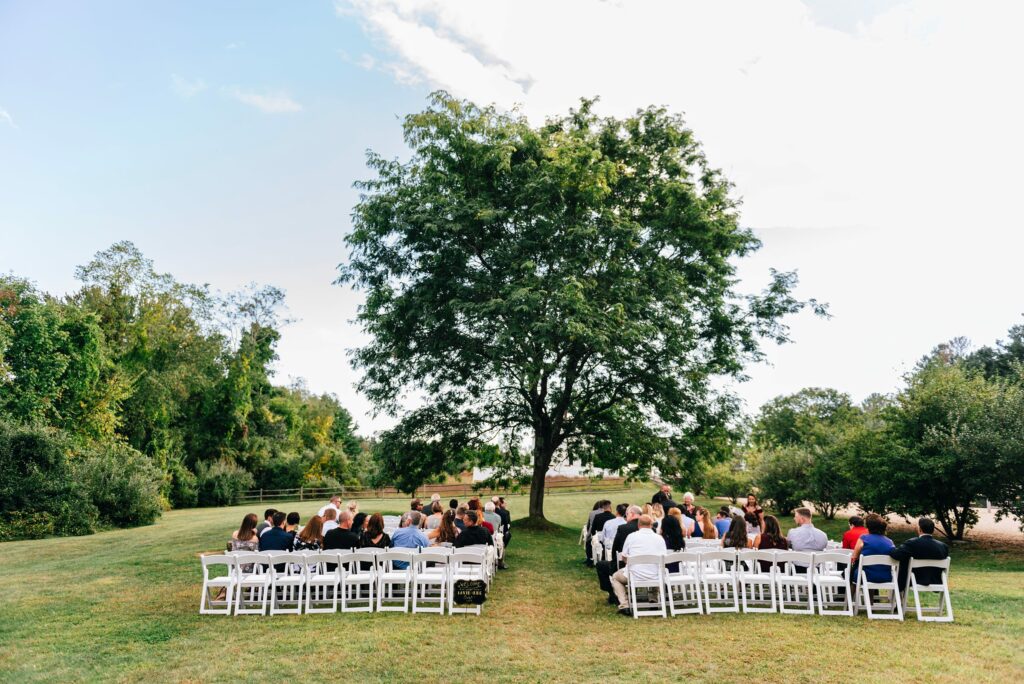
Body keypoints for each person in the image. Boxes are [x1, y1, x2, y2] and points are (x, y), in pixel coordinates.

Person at [610, 515, 667, 616]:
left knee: (615, 577)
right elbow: (663, 558)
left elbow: (624, 556)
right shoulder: (659, 538)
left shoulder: (631, 536)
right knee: (656, 568)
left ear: (639, 525)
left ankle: (625, 605)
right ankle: (653, 600)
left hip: (634, 575)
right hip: (655, 575)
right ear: (651, 525)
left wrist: (631, 563)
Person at [596, 505, 642, 604]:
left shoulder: (623, 528)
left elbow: (615, 549)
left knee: (600, 565)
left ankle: (613, 595)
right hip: (647, 568)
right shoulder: (651, 528)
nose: (626, 517)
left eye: (627, 515)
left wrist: (614, 563)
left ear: (632, 514)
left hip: (625, 566)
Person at [889, 517, 950, 590]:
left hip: (913, 579)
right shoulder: (943, 546)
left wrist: (891, 547)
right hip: (935, 580)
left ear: (920, 529)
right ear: (932, 530)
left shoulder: (912, 543)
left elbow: (896, 555)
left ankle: (898, 599)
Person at [851, 513, 896, 583]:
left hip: (864, 576)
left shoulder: (863, 538)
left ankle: (851, 593)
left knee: (853, 571)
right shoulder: (890, 542)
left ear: (868, 527)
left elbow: (854, 557)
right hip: (886, 577)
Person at [787, 507, 828, 571]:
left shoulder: (792, 532)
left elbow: (788, 547)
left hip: (797, 569)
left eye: (796, 517)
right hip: (817, 570)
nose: (794, 518)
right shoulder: (823, 535)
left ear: (802, 519)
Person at [587, 501, 614, 566]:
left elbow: (593, 529)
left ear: (603, 508)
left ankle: (590, 560)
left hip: (599, 539)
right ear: (610, 507)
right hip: (610, 540)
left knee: (588, 543)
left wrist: (594, 537)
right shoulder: (613, 517)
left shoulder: (597, 516)